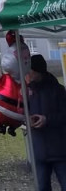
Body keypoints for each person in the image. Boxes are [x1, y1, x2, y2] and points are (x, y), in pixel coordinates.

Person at [28, 54, 66, 191]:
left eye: (31, 70)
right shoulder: (27, 91)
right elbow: (22, 112)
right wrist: (27, 120)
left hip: (60, 150)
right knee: (42, 187)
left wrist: (47, 119)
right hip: (39, 150)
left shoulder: (58, 90)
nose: (28, 74)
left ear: (39, 71)